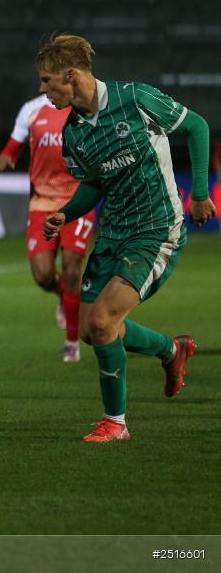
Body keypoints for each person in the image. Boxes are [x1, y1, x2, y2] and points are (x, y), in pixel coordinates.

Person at [38, 35, 215, 442]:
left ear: (71, 75)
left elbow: (196, 126)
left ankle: (115, 423)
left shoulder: (134, 98)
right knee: (90, 329)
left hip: (155, 230)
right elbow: (94, 185)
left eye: (47, 81)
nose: (42, 89)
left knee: (103, 321)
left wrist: (201, 192)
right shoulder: (75, 134)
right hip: (113, 233)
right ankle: (172, 349)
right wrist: (66, 212)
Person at [0, 94, 95, 362]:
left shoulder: (85, 107)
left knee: (73, 268)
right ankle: (63, 295)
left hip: (78, 199)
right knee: (42, 275)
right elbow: (13, 146)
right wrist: (7, 155)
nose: (44, 82)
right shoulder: (31, 109)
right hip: (42, 202)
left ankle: (72, 344)